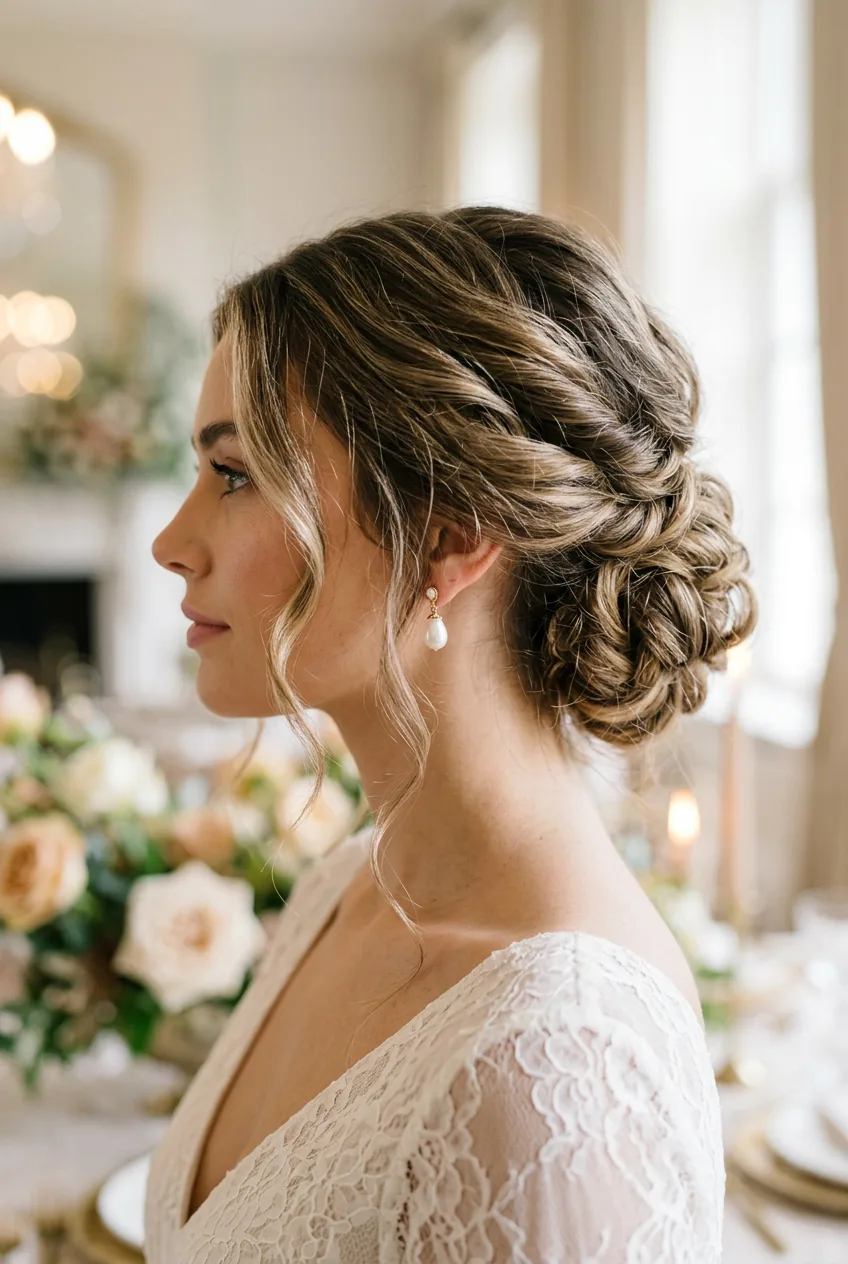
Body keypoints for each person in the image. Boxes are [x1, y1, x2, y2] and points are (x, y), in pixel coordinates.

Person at [146, 206, 754, 1263]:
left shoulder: (557, 1070)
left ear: (449, 534)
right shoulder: (345, 888)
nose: (170, 541)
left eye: (235, 474)